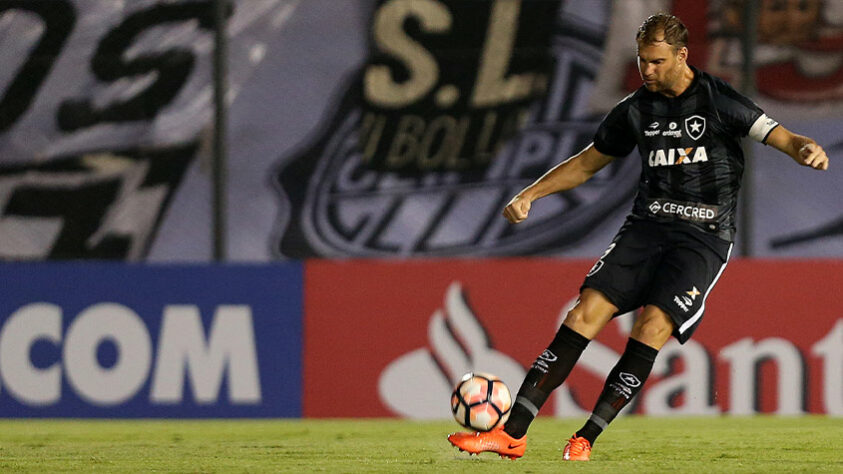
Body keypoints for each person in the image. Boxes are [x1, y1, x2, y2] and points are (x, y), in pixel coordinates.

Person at [447, 12, 829, 462]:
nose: (646, 70)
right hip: (646, 227)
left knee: (651, 327)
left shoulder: (720, 101)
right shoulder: (634, 109)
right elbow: (588, 163)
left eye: (656, 61)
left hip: (703, 237)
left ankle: (585, 437)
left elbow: (782, 137)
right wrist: (532, 193)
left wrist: (805, 147)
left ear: (682, 56)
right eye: (642, 61)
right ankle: (511, 434)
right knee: (583, 313)